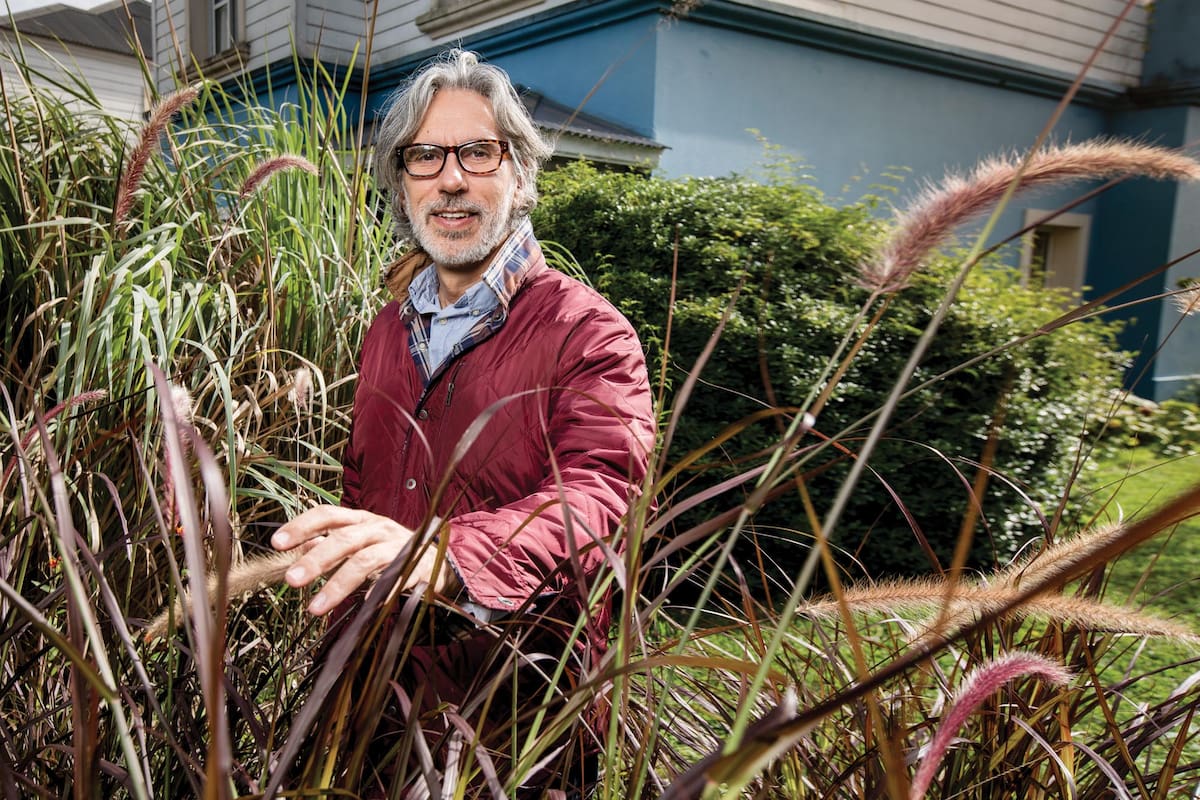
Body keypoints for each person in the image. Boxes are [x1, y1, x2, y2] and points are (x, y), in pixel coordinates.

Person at [269, 48, 656, 797]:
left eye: (478, 152)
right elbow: (366, 493)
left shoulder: (589, 332)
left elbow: (603, 499)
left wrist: (448, 555)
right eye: (425, 157)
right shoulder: (386, 331)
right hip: (376, 721)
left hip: (513, 732)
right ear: (401, 181)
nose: (451, 179)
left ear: (519, 173)